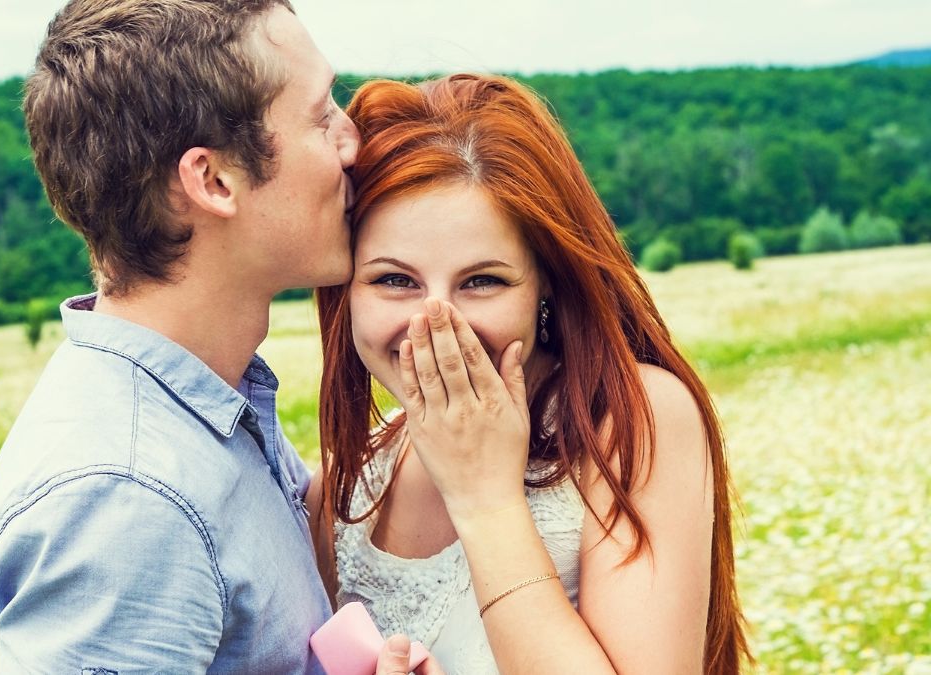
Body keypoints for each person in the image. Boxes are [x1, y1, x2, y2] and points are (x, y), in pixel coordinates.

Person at [0, 1, 441, 672]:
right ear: (213, 179)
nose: (350, 142)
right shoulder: (127, 499)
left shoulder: (203, 399)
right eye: (319, 114)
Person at [309, 73, 752, 674]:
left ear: (544, 283)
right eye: (394, 280)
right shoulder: (343, 489)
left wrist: (484, 499)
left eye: (482, 281)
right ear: (346, 293)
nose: (435, 322)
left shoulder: (629, 422)